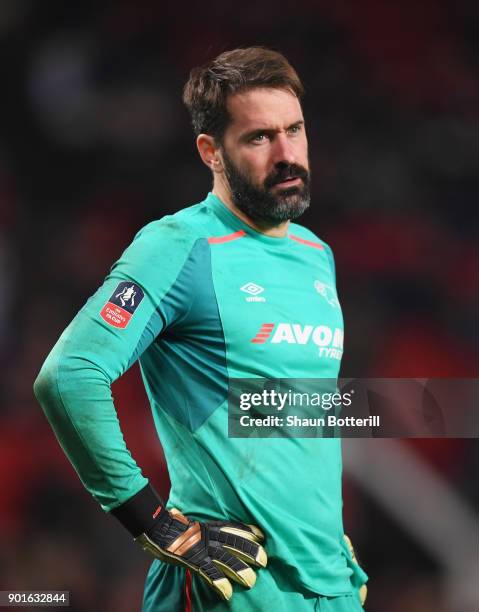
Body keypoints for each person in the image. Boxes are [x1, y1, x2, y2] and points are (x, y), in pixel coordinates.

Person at [34, 47, 368, 611]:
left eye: (295, 130)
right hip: (231, 584)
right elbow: (69, 375)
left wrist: (326, 541)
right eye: (260, 137)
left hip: (329, 585)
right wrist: (155, 523)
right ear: (211, 152)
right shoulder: (180, 247)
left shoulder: (316, 253)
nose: (288, 154)